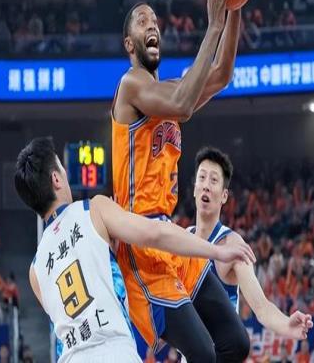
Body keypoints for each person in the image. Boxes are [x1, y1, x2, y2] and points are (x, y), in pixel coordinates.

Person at [112, 0, 255, 362]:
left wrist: (234, 5)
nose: (152, 25)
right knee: (205, 353)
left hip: (170, 234)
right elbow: (183, 105)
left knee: (236, 342)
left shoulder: (173, 89)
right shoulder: (131, 86)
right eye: (142, 21)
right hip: (141, 240)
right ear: (129, 44)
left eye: (155, 21)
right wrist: (213, 25)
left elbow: (222, 74)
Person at [14, 137, 254, 363]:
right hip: (114, 351)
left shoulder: (35, 272)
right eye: (62, 169)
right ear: (56, 179)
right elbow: (156, 233)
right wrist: (215, 251)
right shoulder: (93, 210)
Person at [189, 147, 313, 338]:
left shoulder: (232, 244)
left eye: (213, 180)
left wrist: (286, 325)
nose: (206, 185)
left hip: (221, 351)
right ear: (195, 188)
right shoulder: (182, 239)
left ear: (224, 196)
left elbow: (261, 308)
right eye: (202, 177)